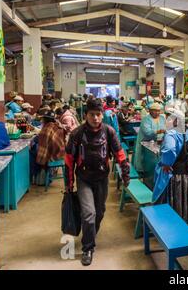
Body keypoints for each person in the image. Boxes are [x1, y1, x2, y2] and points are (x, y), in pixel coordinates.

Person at [65, 99, 130, 266]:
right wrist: (69, 184)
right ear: (85, 115)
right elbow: (69, 160)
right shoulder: (77, 134)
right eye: (92, 114)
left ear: (102, 115)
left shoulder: (109, 132)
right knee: (89, 214)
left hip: (102, 179)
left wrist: (125, 173)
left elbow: (119, 153)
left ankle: (90, 233)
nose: (95, 118)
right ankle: (88, 248)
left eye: (98, 114)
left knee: (99, 212)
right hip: (84, 179)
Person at [153, 110, 188, 225]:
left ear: (176, 121)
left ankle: (176, 226)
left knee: (178, 201)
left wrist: (166, 163)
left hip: (178, 177)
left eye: (170, 119)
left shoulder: (172, 133)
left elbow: (169, 150)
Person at [133, 103, 166, 174]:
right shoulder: (146, 119)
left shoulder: (162, 118)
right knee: (146, 159)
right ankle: (146, 172)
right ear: (150, 111)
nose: (157, 112)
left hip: (159, 142)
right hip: (145, 142)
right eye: (155, 111)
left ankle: (158, 173)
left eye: (158, 111)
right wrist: (159, 131)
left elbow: (165, 127)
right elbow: (147, 132)